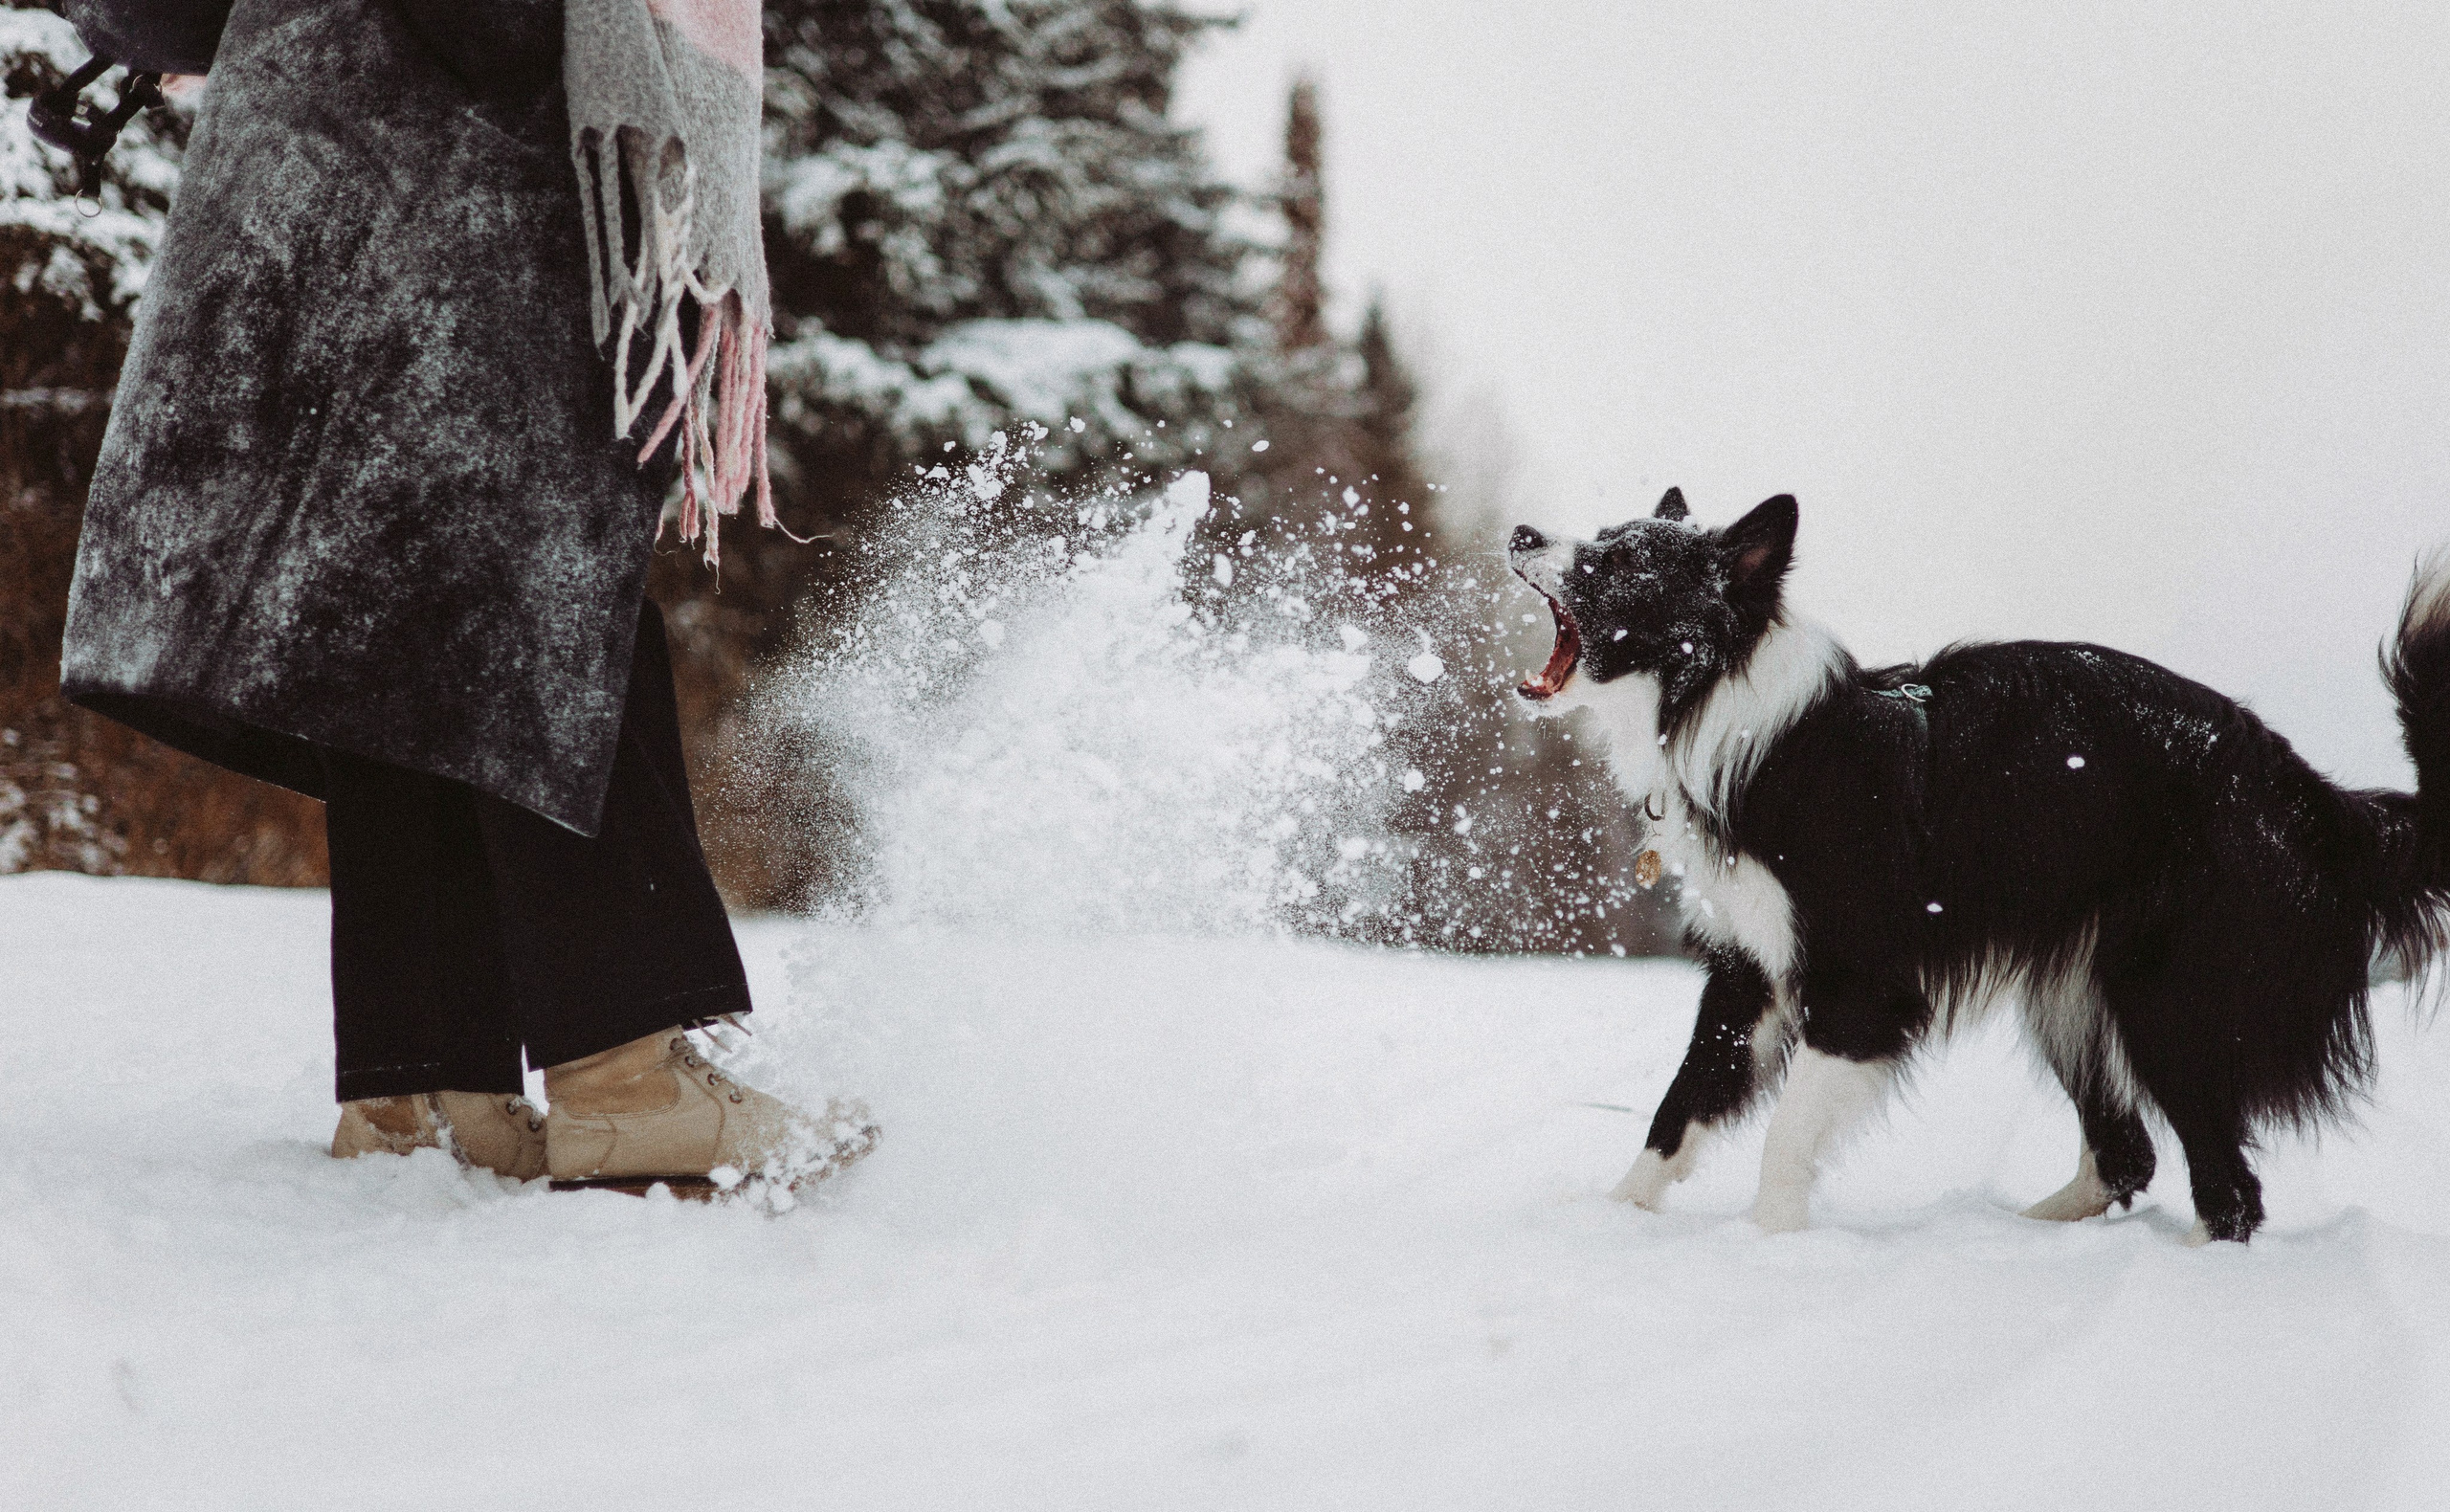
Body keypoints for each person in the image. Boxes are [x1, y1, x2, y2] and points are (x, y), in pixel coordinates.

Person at [53, 0, 873, 1193]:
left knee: (409, 604)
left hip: (329, 141)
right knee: (539, 589)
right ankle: (627, 1074)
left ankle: (425, 1087)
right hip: (454, 147)